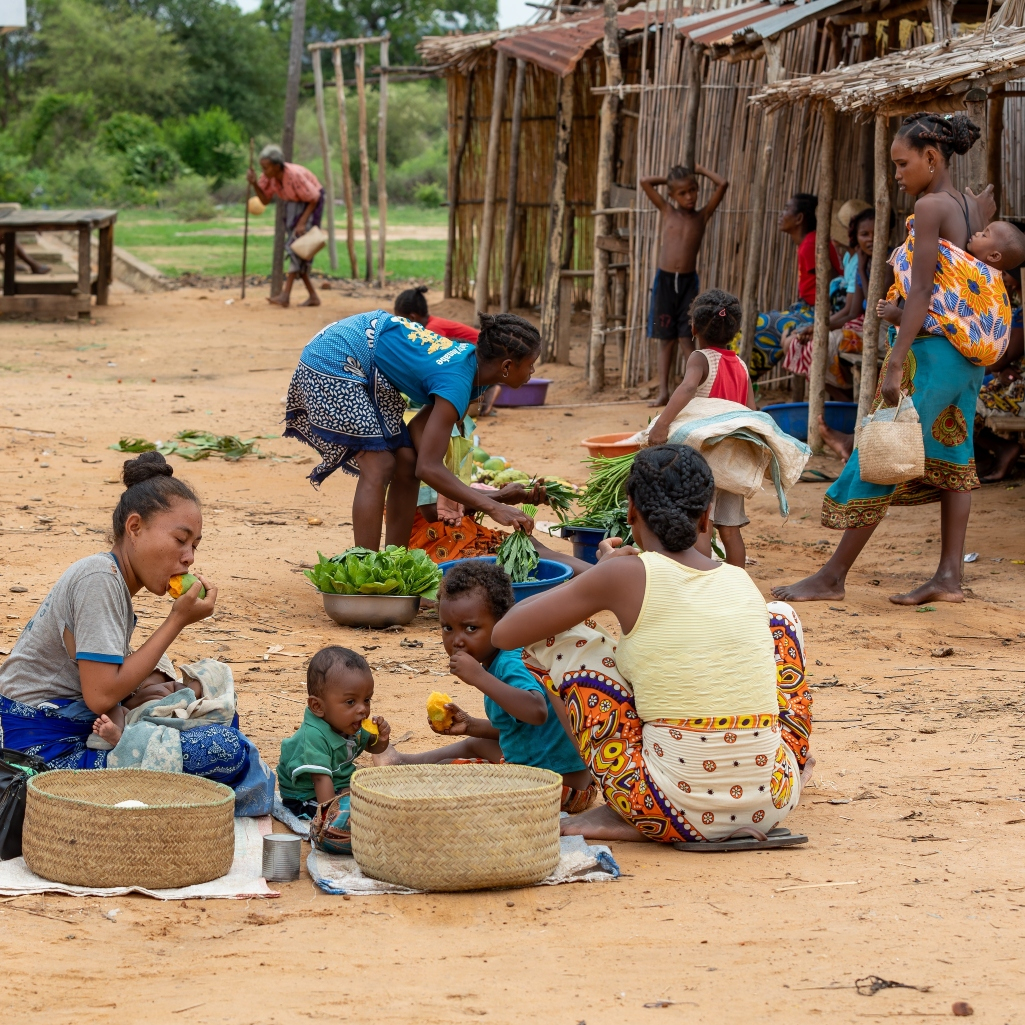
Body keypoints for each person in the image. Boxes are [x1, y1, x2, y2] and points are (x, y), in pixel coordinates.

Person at [489, 445, 811, 844]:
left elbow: (505, 633)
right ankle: (780, 764)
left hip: (665, 808)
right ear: (707, 517)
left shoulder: (623, 574)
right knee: (779, 619)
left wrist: (600, 574)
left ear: (631, 514)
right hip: (775, 800)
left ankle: (623, 806)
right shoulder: (738, 579)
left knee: (556, 635)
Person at [772, 112, 1003, 607]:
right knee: (956, 457)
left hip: (933, 353)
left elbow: (921, 291)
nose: (896, 174)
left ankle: (834, 575)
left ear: (931, 158)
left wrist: (896, 360)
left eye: (902, 164)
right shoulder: (969, 206)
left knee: (880, 450)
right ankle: (947, 577)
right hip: (967, 357)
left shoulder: (930, 207)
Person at [0, 452, 273, 811]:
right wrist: (177, 620)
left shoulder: (110, 579)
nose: (189, 557)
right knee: (225, 749)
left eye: (195, 545)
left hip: (71, 730)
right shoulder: (99, 580)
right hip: (39, 755)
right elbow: (100, 697)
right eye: (180, 539)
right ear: (134, 528)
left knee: (212, 718)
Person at [284, 310, 540, 550]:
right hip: (335, 355)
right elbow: (428, 467)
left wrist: (490, 496)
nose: (533, 371)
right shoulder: (457, 383)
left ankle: (395, 565)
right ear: (506, 366)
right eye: (530, 364)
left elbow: (419, 439)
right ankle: (364, 574)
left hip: (367, 351)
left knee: (406, 460)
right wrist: (494, 506)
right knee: (380, 465)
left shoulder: (472, 371)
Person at [373, 560, 597, 813]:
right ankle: (401, 762)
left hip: (555, 789)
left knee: (452, 767)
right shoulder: (502, 657)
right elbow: (525, 731)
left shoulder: (511, 661)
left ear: (501, 622)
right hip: (564, 777)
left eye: (471, 628)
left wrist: (479, 676)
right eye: (448, 628)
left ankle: (403, 784)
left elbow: (536, 711)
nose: (457, 640)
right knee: (475, 743)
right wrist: (470, 724)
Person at [646, 289, 754, 567]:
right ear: (735, 330)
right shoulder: (741, 365)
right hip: (732, 459)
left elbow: (689, 386)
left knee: (700, 522)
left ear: (693, 327)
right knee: (730, 530)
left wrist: (662, 424)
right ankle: (737, 584)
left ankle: (702, 579)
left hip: (704, 457)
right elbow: (752, 412)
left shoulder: (700, 358)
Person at [640, 164, 729, 407]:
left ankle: (698, 392)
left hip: (688, 282)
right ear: (671, 195)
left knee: (686, 336)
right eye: (682, 192)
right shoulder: (667, 210)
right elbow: (645, 180)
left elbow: (722, 184)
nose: (689, 196)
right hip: (666, 281)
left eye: (693, 190)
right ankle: (663, 392)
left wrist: (700, 170)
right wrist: (670, 179)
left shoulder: (702, 215)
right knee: (665, 338)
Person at [276, 646, 390, 819]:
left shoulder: (349, 723)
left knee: (374, 794)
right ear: (318, 706)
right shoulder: (314, 737)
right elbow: (320, 780)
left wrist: (382, 738)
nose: (362, 709)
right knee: (357, 809)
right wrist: (331, 818)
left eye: (366, 700)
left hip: (337, 783)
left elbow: (374, 748)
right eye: (351, 701)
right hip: (306, 796)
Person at [752, 193, 841, 380]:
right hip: (807, 307)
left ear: (799, 218)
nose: (781, 214)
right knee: (764, 323)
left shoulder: (811, 244)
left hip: (818, 311)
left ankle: (744, 383)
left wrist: (824, 318)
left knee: (760, 325)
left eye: (786, 209)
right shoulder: (808, 242)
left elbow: (832, 282)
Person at [394, 285, 503, 416]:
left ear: (412, 318)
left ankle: (488, 388)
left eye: (402, 321)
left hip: (487, 357)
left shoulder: (432, 330)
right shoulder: (432, 324)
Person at [247, 144, 324, 308]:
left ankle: (285, 295)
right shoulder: (269, 177)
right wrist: (254, 183)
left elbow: (314, 197)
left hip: (308, 206)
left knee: (294, 247)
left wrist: (303, 221)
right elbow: (265, 200)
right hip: (293, 205)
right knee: (299, 251)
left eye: (266, 168)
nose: (264, 171)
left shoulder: (294, 175)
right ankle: (312, 296)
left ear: (277, 166)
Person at [974, 272, 1024, 482]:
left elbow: (999, 361)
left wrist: (998, 367)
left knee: (961, 402)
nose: (1001, 276)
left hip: (1019, 392)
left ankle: (1000, 450)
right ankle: (990, 455)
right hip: (1013, 383)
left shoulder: (1023, 315)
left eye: (1007, 273)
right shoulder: (1018, 311)